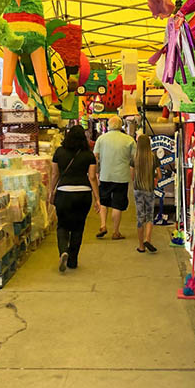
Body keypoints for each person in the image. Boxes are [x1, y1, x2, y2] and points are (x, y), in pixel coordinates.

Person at [50, 125, 100, 272]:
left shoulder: (59, 152)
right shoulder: (88, 154)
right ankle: (72, 260)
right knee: (78, 227)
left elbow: (54, 175)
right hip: (83, 194)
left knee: (63, 225)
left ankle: (63, 251)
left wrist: (51, 191)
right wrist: (97, 198)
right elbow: (92, 177)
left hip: (64, 192)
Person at [93, 115, 135, 240]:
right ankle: (116, 232)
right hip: (122, 176)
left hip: (105, 174)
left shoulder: (101, 139)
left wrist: (96, 172)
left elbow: (95, 156)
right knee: (117, 203)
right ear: (121, 125)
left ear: (109, 126)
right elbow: (135, 157)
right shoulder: (129, 140)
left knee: (104, 201)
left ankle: (103, 225)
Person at [132, 134, 161, 253]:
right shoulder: (153, 157)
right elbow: (159, 175)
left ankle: (141, 246)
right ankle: (148, 239)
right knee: (149, 216)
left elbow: (132, 176)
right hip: (149, 189)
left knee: (140, 218)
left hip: (138, 189)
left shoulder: (134, 157)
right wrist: (152, 176)